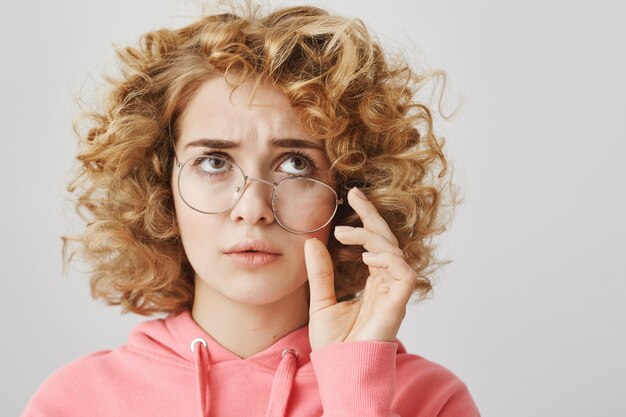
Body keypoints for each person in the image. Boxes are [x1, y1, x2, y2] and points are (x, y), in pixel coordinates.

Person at [21, 3, 480, 416]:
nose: (253, 208)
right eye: (214, 162)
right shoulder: (75, 401)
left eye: (296, 164)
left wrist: (355, 388)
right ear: (161, 188)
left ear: (350, 190)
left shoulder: (428, 400)